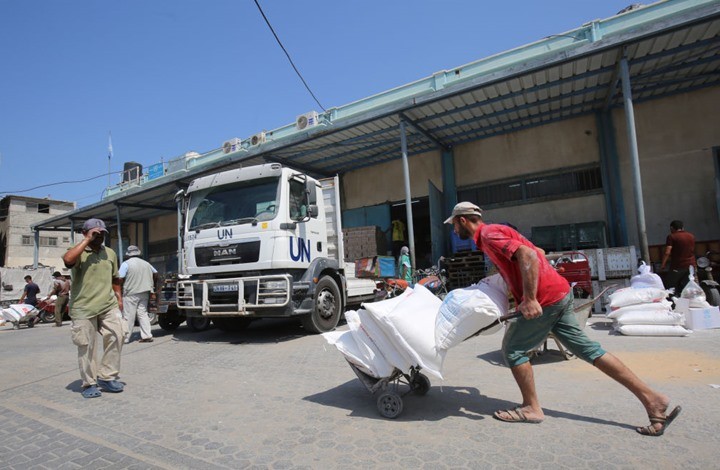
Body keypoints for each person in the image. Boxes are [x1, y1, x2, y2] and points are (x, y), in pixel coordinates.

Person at [445, 201, 681, 436]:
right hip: (559, 291)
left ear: (462, 220)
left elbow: (528, 255)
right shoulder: (497, 230)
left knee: (514, 350)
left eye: (454, 225)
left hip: (545, 299)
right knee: (589, 350)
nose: (454, 230)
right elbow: (538, 252)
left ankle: (531, 408)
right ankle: (653, 399)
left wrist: (529, 298)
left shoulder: (487, 235)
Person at [63, 218, 125, 399]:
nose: (100, 236)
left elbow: (115, 279)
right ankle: (89, 383)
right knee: (86, 346)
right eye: (95, 233)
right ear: (85, 233)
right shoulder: (77, 251)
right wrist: (86, 241)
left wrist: (119, 298)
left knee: (118, 334)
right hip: (83, 307)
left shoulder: (110, 253)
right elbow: (68, 260)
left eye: (102, 233)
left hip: (108, 304)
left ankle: (107, 376)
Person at [119, 245, 158, 344]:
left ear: (128, 254)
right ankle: (147, 336)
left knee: (129, 316)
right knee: (143, 314)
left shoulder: (126, 264)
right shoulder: (146, 264)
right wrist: (153, 286)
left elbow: (120, 278)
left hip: (130, 293)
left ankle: (126, 338)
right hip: (144, 292)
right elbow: (156, 273)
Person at [660, 220, 696, 295]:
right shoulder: (691, 236)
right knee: (688, 285)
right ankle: (690, 300)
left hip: (678, 265)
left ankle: (673, 301)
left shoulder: (671, 236)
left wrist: (663, 264)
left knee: (670, 285)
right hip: (691, 265)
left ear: (672, 228)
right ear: (683, 228)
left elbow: (667, 252)